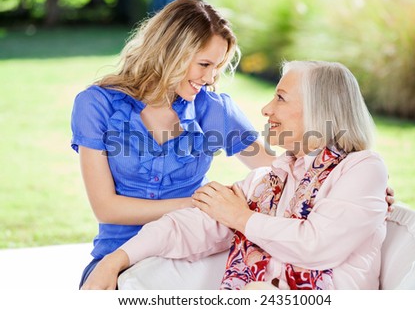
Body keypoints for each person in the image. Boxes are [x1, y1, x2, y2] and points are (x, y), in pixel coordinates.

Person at [81, 60, 392, 290]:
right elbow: (193, 224)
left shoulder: (361, 169)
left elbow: (317, 246)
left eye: (280, 98)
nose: (266, 109)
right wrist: (117, 259)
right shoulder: (271, 178)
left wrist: (240, 217)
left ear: (320, 108)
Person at [71, 0, 275, 289]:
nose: (210, 78)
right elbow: (107, 208)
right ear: (171, 52)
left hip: (189, 255)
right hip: (114, 259)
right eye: (204, 64)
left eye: (217, 67)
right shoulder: (96, 104)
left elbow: (275, 170)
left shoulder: (214, 109)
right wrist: (197, 204)